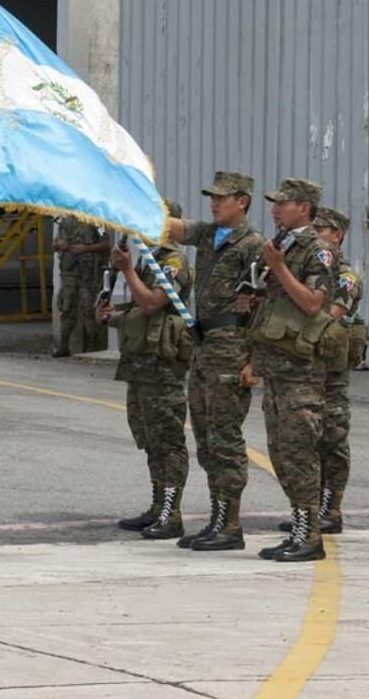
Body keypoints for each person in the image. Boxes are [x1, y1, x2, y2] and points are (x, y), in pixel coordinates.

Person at [166, 172, 264, 551]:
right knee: (206, 436)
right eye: (212, 197)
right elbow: (174, 228)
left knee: (225, 436)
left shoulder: (252, 245)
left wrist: (253, 359)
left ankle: (231, 523)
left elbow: (262, 304)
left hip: (232, 344)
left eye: (222, 198)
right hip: (205, 345)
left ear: (242, 201)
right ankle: (217, 517)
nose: (214, 203)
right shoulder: (210, 234)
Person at [243, 177, 336, 563]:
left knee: (300, 452)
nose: (275, 209)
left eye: (283, 203)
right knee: (281, 452)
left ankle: (309, 534)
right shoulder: (280, 245)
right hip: (277, 368)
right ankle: (300, 527)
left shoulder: (318, 251)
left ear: (304, 207)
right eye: (275, 203)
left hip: (302, 371)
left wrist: (279, 269)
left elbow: (314, 303)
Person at [98, 201, 194, 540]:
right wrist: (113, 315)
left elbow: (154, 302)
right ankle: (157, 505)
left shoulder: (172, 262)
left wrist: (126, 271)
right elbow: (142, 312)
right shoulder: (145, 260)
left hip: (162, 367)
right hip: (140, 365)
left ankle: (171, 511)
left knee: (167, 440)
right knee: (150, 437)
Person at [277, 205, 362, 535]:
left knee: (333, 437)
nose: (315, 236)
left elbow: (330, 315)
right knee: (305, 439)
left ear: (337, 235)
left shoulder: (344, 276)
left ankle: (331, 508)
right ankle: (309, 509)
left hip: (332, 371)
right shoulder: (308, 270)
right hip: (306, 367)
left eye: (322, 230)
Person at [52, 217, 112, 356]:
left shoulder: (95, 221)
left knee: (90, 308)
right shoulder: (65, 221)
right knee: (67, 308)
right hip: (69, 273)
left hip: (88, 274)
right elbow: (54, 244)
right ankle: (63, 347)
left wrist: (86, 248)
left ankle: (92, 348)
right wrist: (59, 245)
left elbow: (106, 243)